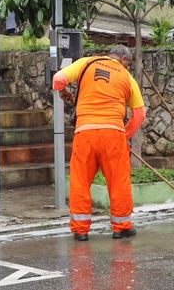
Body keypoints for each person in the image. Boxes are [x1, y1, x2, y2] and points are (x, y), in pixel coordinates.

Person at [53, 45, 146, 240]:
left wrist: (63, 92)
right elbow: (139, 115)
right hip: (113, 134)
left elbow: (58, 79)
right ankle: (121, 227)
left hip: (85, 132)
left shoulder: (86, 63)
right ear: (124, 60)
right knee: (118, 181)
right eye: (128, 64)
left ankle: (80, 230)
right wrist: (125, 135)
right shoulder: (127, 78)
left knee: (80, 180)